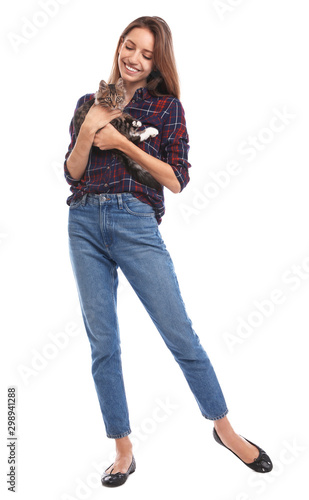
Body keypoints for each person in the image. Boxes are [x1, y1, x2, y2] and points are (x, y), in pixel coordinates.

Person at [64, 16, 273, 487]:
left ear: (158, 62)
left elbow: (177, 180)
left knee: (180, 335)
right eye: (129, 46)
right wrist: (89, 127)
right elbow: (73, 173)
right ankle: (123, 449)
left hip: (135, 223)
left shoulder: (167, 108)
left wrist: (119, 141)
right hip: (82, 223)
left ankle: (226, 430)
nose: (134, 59)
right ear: (119, 45)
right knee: (103, 344)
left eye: (146, 54)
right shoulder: (87, 102)